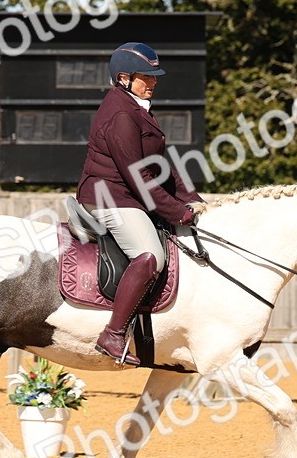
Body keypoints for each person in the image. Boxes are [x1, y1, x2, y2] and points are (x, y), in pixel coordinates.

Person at [75, 42, 204, 366]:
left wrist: (195, 202)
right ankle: (113, 334)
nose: (154, 82)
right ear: (123, 78)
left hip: (127, 194)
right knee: (150, 256)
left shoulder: (135, 107)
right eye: (146, 76)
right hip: (109, 196)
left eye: (154, 76)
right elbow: (139, 177)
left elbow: (161, 165)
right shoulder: (121, 114)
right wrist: (177, 212)